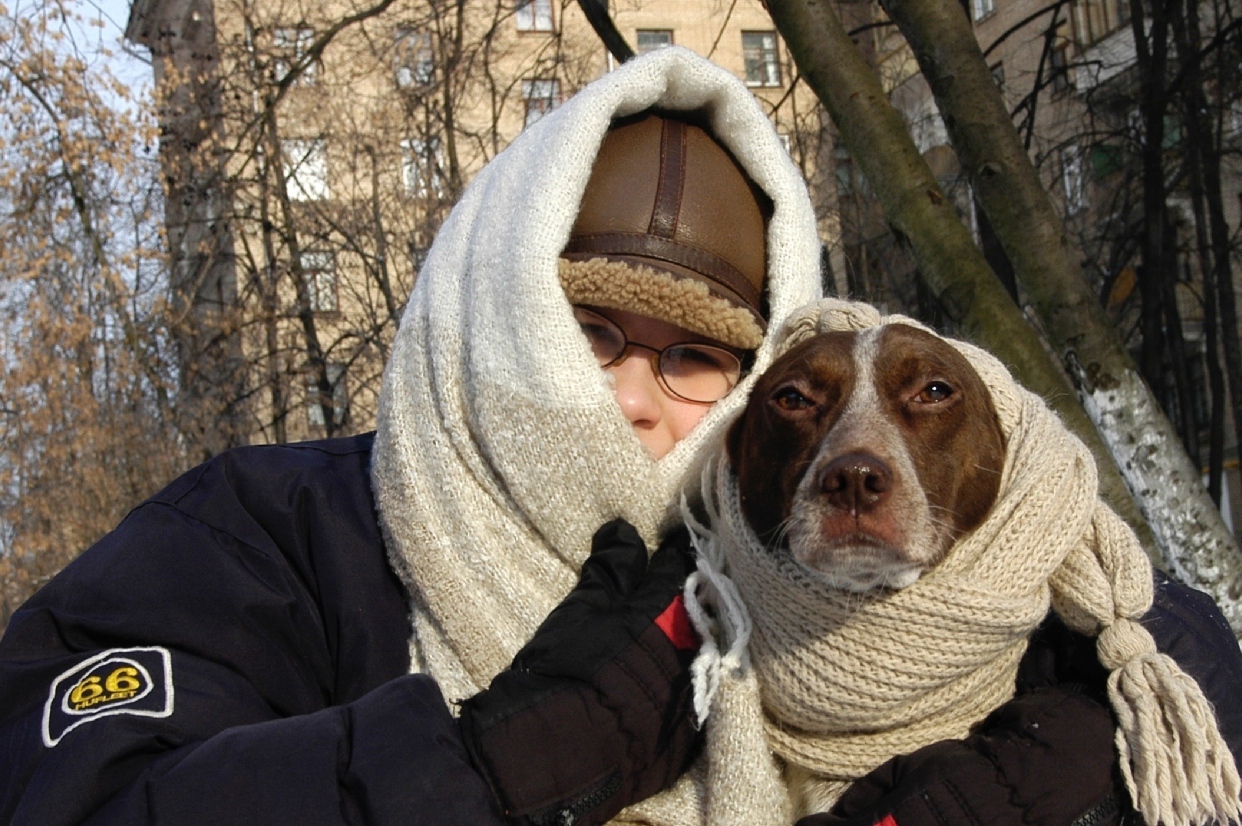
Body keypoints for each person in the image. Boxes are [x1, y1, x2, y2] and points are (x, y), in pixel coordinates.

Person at [0, 46, 1238, 826]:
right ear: (498, 315)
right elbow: (77, 790)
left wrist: (1062, 766)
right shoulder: (277, 538)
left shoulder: (876, 581)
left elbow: (1187, 654)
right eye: (589, 332)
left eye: (698, 356)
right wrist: (484, 770)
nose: (635, 400)